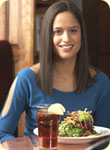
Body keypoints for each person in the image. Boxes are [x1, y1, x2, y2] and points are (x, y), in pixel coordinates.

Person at [0, 0, 110, 144]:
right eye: (58, 31)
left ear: (82, 35)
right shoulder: (26, 78)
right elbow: (2, 133)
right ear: (47, 36)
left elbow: (104, 140)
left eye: (73, 30)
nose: (66, 38)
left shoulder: (101, 82)